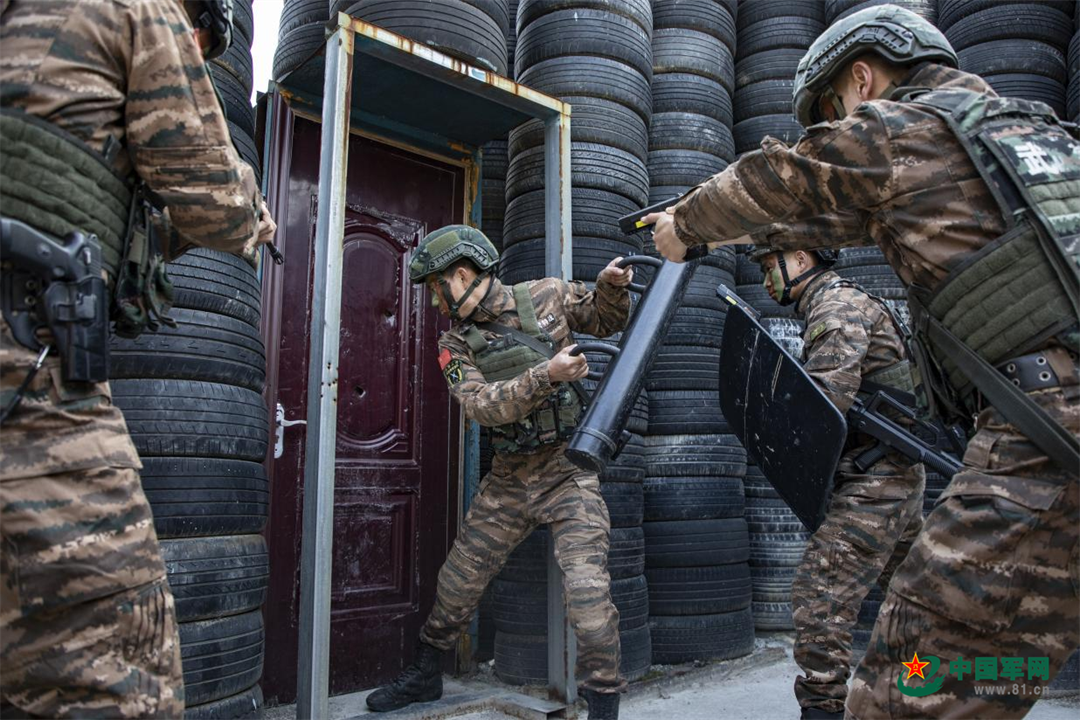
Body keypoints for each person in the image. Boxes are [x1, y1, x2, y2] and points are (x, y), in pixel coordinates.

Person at [647, 4, 1080, 717]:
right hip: (1045, 435)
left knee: (903, 689)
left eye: (832, 109)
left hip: (1046, 440)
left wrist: (684, 226)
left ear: (863, 77)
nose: (837, 122)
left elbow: (781, 178)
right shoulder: (1035, 135)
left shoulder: (903, 129)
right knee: (1002, 670)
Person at [0, 0, 275, 716]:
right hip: (25, 376)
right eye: (202, 45)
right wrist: (255, 209)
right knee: (120, 672)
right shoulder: (142, 9)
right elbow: (216, 199)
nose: (197, 55)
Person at [366, 225, 632, 719]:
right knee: (458, 581)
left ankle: (603, 705)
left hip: (567, 471)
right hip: (509, 479)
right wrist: (544, 375)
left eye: (435, 288)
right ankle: (425, 671)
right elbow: (482, 407)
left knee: (589, 595)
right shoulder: (454, 345)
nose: (435, 303)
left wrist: (611, 286)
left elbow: (606, 319)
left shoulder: (546, 295)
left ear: (461, 274)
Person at [749, 245, 924, 720]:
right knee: (913, 599)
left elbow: (825, 405)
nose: (766, 280)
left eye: (770, 267)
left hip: (878, 479)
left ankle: (822, 709)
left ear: (801, 260)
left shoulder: (837, 306)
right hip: (889, 474)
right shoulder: (842, 300)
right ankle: (922, 695)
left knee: (819, 593)